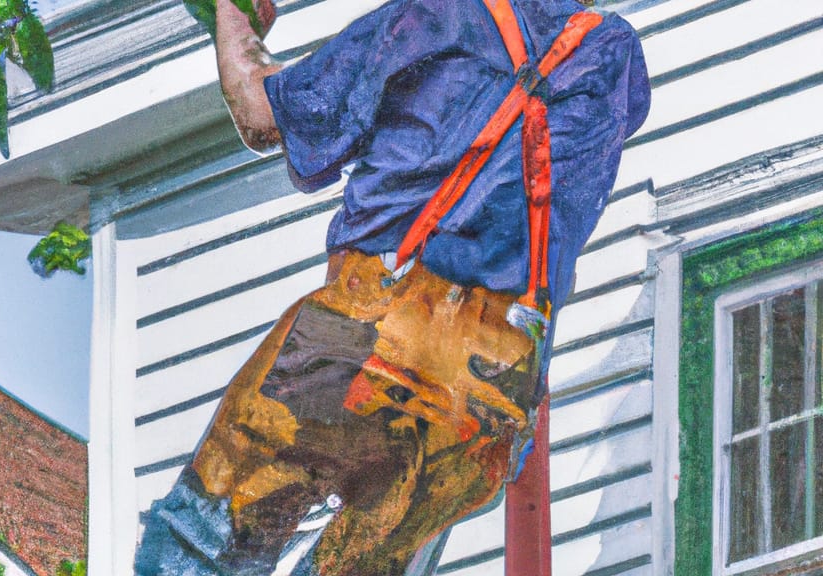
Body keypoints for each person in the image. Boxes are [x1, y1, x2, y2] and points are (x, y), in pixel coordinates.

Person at [136, 0, 651, 574]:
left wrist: (231, 15)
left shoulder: (435, 13)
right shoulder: (614, 54)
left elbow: (262, 114)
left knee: (198, 549)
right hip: (495, 385)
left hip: (363, 336)